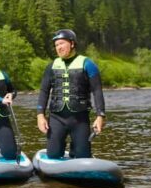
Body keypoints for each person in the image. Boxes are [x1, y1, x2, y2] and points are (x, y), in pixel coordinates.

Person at [36, 29, 106, 159]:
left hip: (80, 118)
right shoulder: (51, 67)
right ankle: (58, 149)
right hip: (57, 118)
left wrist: (100, 115)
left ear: (72, 44)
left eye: (62, 43)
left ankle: (77, 151)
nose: (59, 48)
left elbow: (97, 90)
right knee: (53, 154)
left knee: (82, 156)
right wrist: (40, 115)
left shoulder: (88, 64)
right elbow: (44, 91)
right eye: (56, 45)